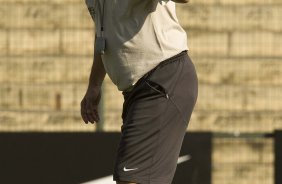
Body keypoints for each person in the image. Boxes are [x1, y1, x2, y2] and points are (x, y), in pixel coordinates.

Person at [81, 0, 198, 183]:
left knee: (130, 179)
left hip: (162, 81)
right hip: (141, 89)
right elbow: (103, 36)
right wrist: (94, 85)